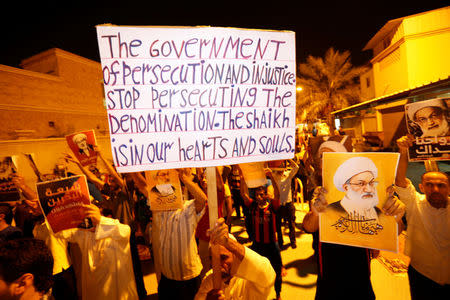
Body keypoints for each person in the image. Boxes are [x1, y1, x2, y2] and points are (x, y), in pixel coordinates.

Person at [302, 185, 405, 300]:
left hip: (361, 277)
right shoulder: (321, 192)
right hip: (329, 279)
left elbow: (396, 230)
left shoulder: (367, 192)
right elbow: (308, 226)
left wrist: (396, 216)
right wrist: (315, 214)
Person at [132, 168, 207, 300]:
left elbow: (202, 200)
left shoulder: (188, 207)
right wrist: (131, 168)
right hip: (167, 277)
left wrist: (185, 179)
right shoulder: (158, 207)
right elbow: (142, 185)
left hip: (189, 277)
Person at [395, 135, 450, 299]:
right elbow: (399, 180)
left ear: (448, 188)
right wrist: (403, 151)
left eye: (441, 185)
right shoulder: (414, 204)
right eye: (429, 185)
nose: (435, 189)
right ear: (421, 187)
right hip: (422, 275)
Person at [56, 203, 139, 300]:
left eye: (94, 216)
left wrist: (100, 220)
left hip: (118, 293)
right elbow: (60, 233)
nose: (91, 220)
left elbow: (125, 230)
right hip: (95, 292)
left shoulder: (118, 232)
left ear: (108, 217)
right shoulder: (84, 234)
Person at [194, 218, 275, 300]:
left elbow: (268, 275)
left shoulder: (247, 278)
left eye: (223, 258)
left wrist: (228, 242)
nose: (217, 265)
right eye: (213, 259)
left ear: (235, 256)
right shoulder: (210, 280)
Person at [240, 167, 283, 300]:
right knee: (256, 270)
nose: (259, 196)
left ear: (266, 195)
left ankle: (277, 293)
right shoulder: (252, 206)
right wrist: (242, 179)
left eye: (262, 193)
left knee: (277, 271)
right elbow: (244, 195)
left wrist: (272, 177)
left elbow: (278, 194)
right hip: (258, 245)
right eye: (258, 194)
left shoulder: (272, 206)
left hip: (272, 244)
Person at [329, 156, 381, 222]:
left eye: (371, 183)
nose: (369, 189)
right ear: (346, 188)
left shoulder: (378, 212)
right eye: (361, 184)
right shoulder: (333, 211)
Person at [271, 159, 299, 249]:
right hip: (279, 204)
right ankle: (280, 242)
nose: (281, 168)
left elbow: (296, 167)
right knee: (278, 225)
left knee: (291, 224)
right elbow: (265, 169)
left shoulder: (288, 174)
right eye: (279, 166)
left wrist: (288, 158)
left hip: (288, 203)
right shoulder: (274, 175)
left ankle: (293, 241)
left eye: (282, 165)